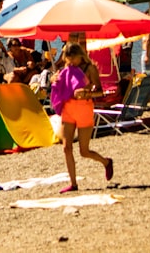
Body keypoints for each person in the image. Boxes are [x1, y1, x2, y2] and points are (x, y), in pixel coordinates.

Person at [49, 42, 113, 193]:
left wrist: (86, 94)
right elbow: (61, 86)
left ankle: (106, 162)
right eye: (68, 59)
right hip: (68, 109)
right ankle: (73, 184)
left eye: (73, 59)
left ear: (80, 56)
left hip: (84, 108)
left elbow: (100, 92)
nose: (71, 62)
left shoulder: (90, 69)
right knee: (66, 147)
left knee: (84, 151)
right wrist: (53, 80)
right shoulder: (66, 69)